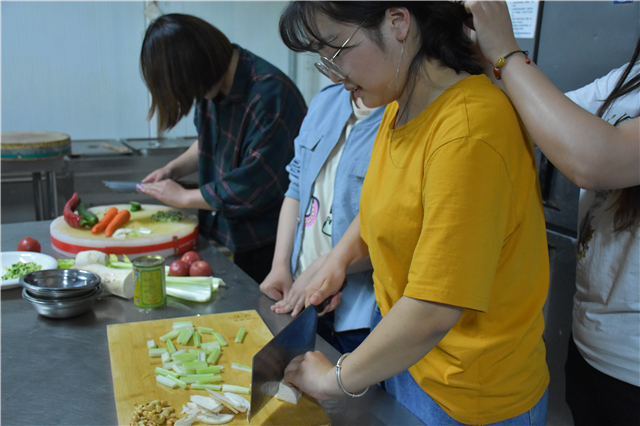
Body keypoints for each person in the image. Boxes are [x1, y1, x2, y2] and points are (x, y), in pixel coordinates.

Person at [279, 2, 550, 425]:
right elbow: (388, 209)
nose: (332, 72)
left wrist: (335, 378)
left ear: (398, 24)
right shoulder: (398, 108)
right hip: (405, 364)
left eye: (336, 50)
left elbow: (433, 308)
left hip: (467, 395)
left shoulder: (468, 129)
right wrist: (339, 258)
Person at [464, 2, 640, 424]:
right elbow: (535, 116)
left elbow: (593, 160)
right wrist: (480, 53)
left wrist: (506, 50)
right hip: (596, 343)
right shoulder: (628, 79)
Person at [137, 13, 307, 283]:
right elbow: (208, 140)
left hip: (271, 246)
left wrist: (184, 197)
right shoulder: (213, 85)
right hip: (232, 235)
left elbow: (252, 185)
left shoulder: (270, 95)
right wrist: (173, 169)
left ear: (197, 67)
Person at [259, 84, 385, 354]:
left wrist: (328, 267)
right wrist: (281, 265)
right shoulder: (326, 100)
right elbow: (296, 186)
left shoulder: (403, 114)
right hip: (301, 298)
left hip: (360, 317)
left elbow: (394, 232)